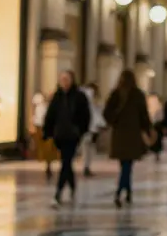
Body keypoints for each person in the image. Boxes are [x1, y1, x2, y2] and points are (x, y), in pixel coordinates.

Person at [103, 69, 155, 207]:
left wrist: (114, 121)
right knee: (127, 165)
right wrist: (149, 130)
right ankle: (121, 192)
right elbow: (144, 116)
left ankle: (126, 191)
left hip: (120, 135)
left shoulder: (116, 94)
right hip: (133, 135)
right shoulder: (138, 95)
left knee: (124, 165)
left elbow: (106, 113)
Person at [42, 70, 91, 207]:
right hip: (60, 135)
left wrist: (81, 131)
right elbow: (50, 115)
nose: (64, 82)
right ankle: (72, 185)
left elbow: (85, 116)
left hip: (73, 135)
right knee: (67, 162)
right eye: (62, 79)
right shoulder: (57, 97)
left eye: (66, 79)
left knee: (65, 162)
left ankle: (58, 193)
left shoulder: (79, 96)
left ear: (72, 80)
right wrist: (47, 132)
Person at [30, 91, 57, 180]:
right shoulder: (39, 105)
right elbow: (34, 113)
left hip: (49, 128)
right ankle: (45, 161)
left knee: (49, 147)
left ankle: (48, 164)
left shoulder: (51, 107)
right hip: (40, 126)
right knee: (43, 146)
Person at [147, 91, 165, 158]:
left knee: (157, 141)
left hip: (157, 126)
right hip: (150, 125)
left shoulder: (159, 107)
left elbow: (161, 117)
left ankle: (156, 152)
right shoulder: (148, 107)